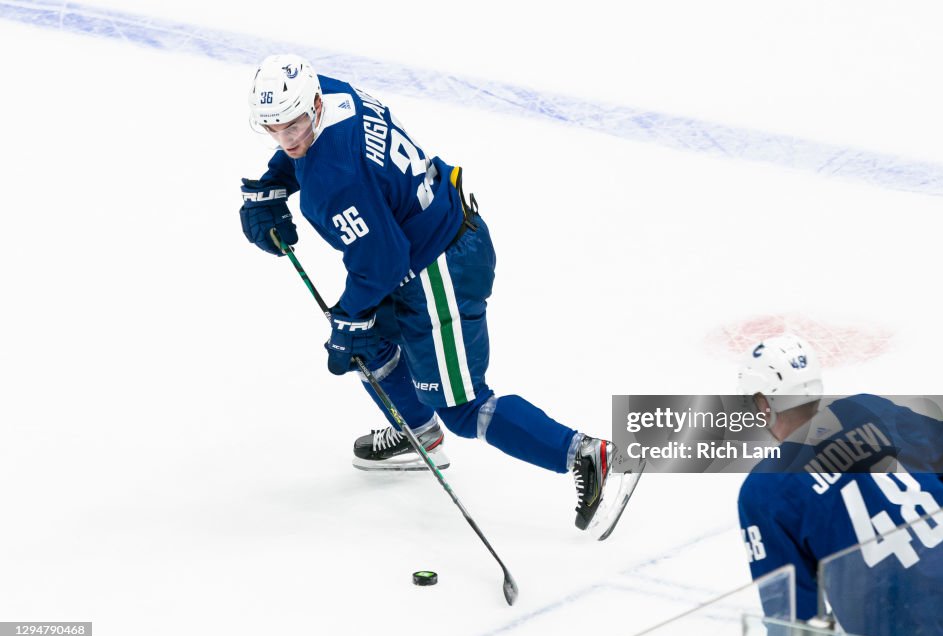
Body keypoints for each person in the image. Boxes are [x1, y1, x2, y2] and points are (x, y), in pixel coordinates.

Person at [237, 54, 641, 536]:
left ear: (315, 104)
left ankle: (587, 455)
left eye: (296, 125)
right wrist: (272, 184)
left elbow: (382, 261)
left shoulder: (334, 180)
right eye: (275, 129)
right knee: (367, 342)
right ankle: (418, 434)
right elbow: (337, 187)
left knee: (465, 407)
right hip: (425, 242)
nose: (287, 139)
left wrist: (348, 317)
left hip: (438, 270)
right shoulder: (329, 90)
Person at [735, 334, 943, 636]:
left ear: (765, 403)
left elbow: (791, 624)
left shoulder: (764, 487)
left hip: (902, 623)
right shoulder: (864, 408)